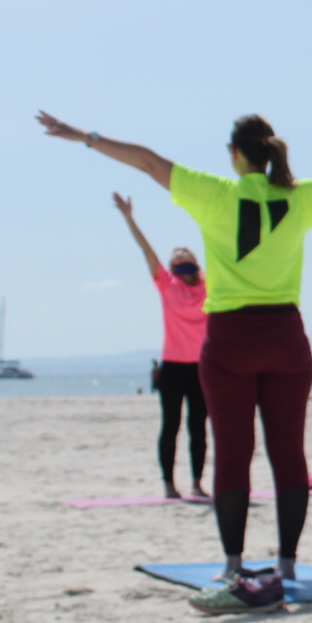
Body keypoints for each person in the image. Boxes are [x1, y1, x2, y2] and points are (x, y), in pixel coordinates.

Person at [38, 110, 312, 611]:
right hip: (285, 337)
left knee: (232, 454)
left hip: (229, 339)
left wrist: (85, 137)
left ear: (235, 154)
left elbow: (145, 161)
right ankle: (288, 564)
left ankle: (233, 566)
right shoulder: (299, 197)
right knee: (288, 453)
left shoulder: (215, 194)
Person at [113, 192, 209, 499]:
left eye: (186, 259)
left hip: (201, 367)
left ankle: (197, 483)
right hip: (173, 366)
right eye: (176, 260)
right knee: (171, 426)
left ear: (195, 264)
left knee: (199, 428)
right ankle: (169, 483)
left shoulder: (209, 286)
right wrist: (129, 217)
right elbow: (145, 249)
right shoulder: (167, 283)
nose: (180, 261)